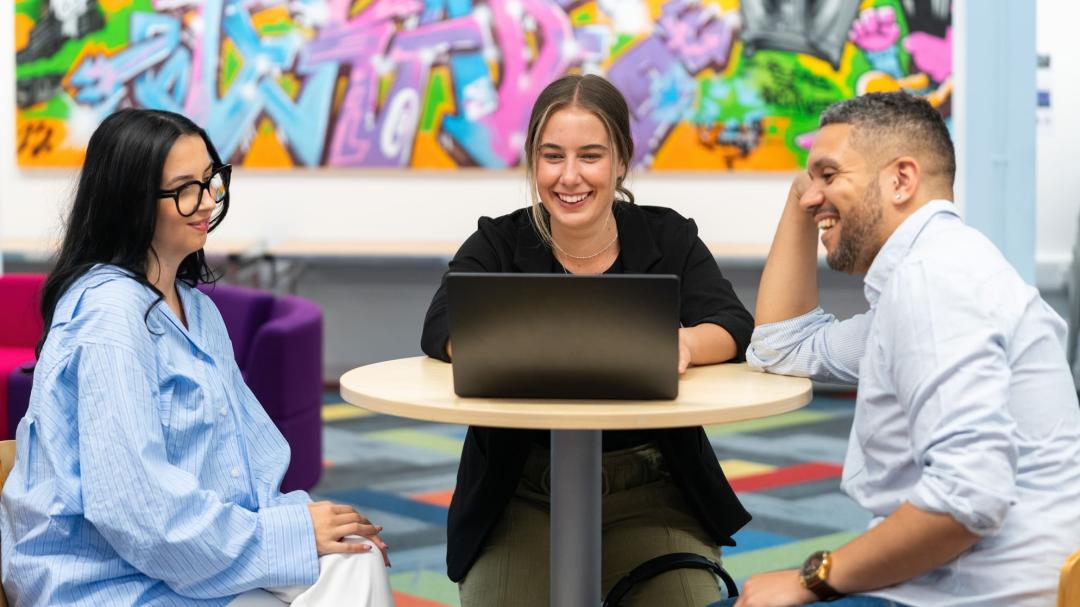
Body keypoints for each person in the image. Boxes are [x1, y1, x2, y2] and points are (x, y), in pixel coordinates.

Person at [0, 109, 395, 606]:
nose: (208, 201)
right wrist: (286, 536)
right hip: (109, 579)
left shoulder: (198, 310)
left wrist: (302, 525)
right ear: (131, 202)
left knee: (353, 552)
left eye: (211, 180)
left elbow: (247, 464)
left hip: (190, 555)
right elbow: (135, 512)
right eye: (185, 188)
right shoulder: (110, 317)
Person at [716, 92, 1080, 607]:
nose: (809, 196)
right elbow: (782, 347)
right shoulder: (933, 272)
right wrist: (806, 199)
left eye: (828, 174)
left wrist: (812, 578)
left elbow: (967, 500)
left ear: (901, 180)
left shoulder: (933, 283)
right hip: (952, 582)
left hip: (974, 596)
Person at [420, 74, 755, 606]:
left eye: (590, 156)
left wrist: (686, 344)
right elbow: (441, 329)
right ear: (533, 162)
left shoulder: (667, 236)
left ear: (621, 160)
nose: (569, 176)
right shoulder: (498, 242)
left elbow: (732, 324)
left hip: (653, 486)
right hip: (520, 490)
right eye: (552, 156)